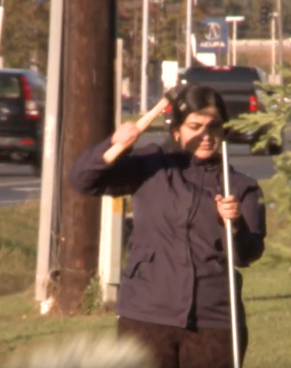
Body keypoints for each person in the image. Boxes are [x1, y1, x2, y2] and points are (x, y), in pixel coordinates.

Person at [69, 85, 267, 368]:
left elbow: (248, 254)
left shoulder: (241, 187)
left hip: (214, 322)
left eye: (214, 127)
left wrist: (234, 224)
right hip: (146, 318)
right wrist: (115, 143)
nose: (205, 136)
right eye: (195, 126)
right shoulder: (151, 166)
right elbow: (83, 180)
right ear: (176, 131)